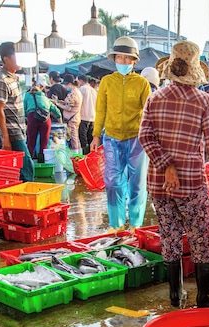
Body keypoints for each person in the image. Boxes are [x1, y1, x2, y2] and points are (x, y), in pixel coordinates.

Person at [138, 40, 209, 309]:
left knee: (169, 235)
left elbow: (145, 136)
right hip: (191, 183)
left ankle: (176, 295)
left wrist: (165, 164)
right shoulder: (204, 101)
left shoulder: (155, 98)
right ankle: (206, 295)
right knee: (200, 236)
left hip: (159, 184)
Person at [91, 36, 151, 230]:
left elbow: (149, 113)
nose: (123, 62)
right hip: (112, 139)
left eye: (128, 58)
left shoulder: (142, 84)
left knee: (137, 184)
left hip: (137, 139)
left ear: (134, 61)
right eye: (120, 58)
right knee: (112, 182)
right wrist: (95, 135)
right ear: (114, 59)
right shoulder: (107, 82)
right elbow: (100, 110)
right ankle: (116, 225)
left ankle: (136, 224)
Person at [0, 42, 34, 182]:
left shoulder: (13, 78)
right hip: (12, 132)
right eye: (16, 57)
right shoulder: (1, 80)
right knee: (27, 168)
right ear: (6, 59)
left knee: (24, 168)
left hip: (20, 129)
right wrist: (6, 137)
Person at [24, 81, 61, 162]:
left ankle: (28, 161)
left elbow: (24, 109)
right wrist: (60, 121)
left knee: (31, 141)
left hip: (32, 118)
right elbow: (56, 111)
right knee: (44, 142)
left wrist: (27, 118)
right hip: (45, 120)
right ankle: (42, 160)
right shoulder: (45, 97)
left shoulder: (27, 95)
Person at [56, 73, 82, 151]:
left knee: (74, 139)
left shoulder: (73, 93)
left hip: (72, 119)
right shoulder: (76, 92)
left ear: (70, 84)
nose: (65, 87)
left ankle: (76, 155)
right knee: (75, 138)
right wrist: (58, 101)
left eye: (66, 85)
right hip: (75, 118)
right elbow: (68, 103)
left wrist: (57, 104)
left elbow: (68, 108)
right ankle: (78, 154)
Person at [77, 75, 96, 154]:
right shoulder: (94, 90)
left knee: (83, 137)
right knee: (90, 137)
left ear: (81, 81)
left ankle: (85, 154)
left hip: (83, 116)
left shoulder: (81, 89)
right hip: (93, 117)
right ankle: (91, 154)